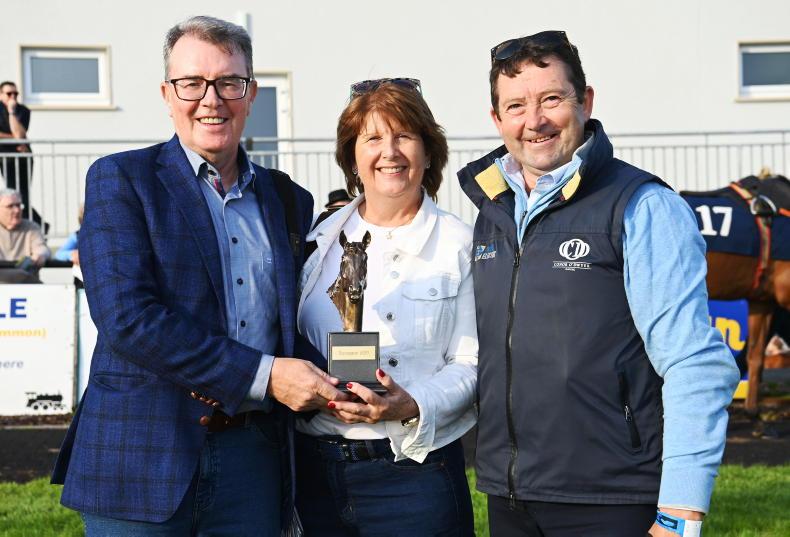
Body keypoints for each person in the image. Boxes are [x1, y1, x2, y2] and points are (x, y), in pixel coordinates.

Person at [51, 15, 344, 536]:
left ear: (251, 95)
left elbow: (297, 320)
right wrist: (267, 376)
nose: (211, 99)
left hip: (253, 462)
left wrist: (358, 380)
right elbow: (128, 320)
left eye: (230, 82)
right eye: (192, 83)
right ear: (168, 94)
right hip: (141, 458)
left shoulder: (288, 199)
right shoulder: (121, 180)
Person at [457, 31, 740, 537]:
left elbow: (695, 362)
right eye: (516, 106)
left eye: (551, 99)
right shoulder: (494, 213)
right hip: (511, 498)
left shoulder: (642, 207)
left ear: (585, 102)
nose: (534, 120)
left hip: (611, 499)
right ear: (497, 119)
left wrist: (680, 514)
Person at [295, 79, 477, 536]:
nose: (389, 152)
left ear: (428, 152)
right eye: (372, 138)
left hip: (414, 475)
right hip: (313, 475)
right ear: (352, 157)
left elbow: (473, 363)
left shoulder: (461, 244)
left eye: (404, 136)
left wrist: (410, 404)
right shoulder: (315, 241)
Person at [0, 81, 35, 223]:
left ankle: (33, 224)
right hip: (6, 157)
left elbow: (20, 135)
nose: (13, 96)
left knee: (23, 194)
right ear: (1, 95)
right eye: (9, 93)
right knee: (12, 193)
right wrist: (14, 137)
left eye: (15, 93)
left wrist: (11, 112)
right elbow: (17, 137)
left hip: (23, 157)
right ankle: (38, 223)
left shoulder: (22, 111)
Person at [0, 188, 48, 283]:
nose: (17, 210)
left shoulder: (31, 227)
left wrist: (40, 255)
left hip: (27, 285)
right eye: (10, 206)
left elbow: (41, 248)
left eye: (18, 205)